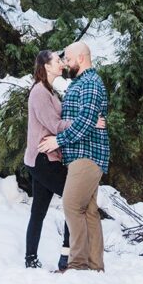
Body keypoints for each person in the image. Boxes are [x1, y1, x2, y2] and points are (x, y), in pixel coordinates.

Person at [24, 49, 105, 270]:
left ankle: (31, 259)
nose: (62, 63)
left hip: (48, 158)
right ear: (47, 67)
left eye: (63, 59)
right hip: (43, 159)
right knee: (74, 201)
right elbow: (55, 125)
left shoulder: (49, 92)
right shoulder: (39, 92)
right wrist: (89, 123)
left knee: (39, 211)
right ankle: (65, 255)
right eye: (58, 60)